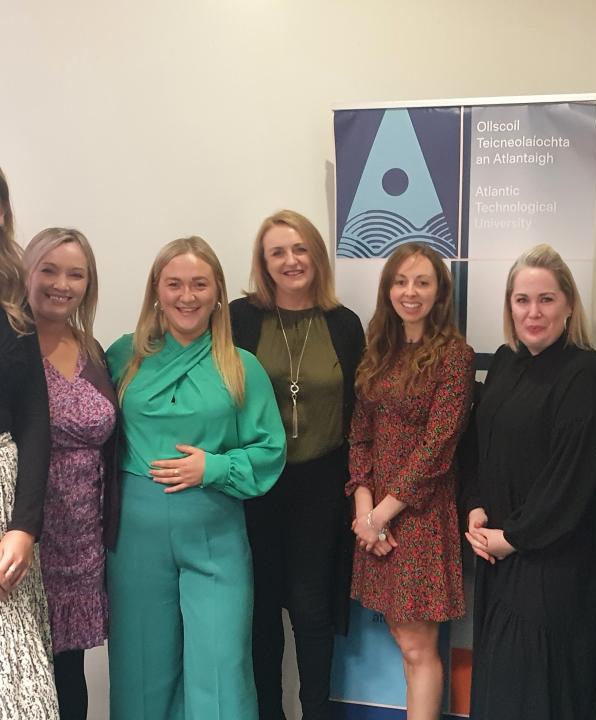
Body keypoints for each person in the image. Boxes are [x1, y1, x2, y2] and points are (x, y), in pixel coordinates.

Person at [105, 236, 286, 720]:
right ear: (156, 291)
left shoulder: (240, 365)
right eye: (175, 284)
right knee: (140, 668)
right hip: (135, 538)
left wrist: (216, 467)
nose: (187, 296)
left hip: (215, 531)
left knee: (222, 667)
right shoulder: (124, 356)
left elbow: (270, 450)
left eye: (200, 284)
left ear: (218, 293)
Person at [464, 244, 596, 720]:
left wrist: (513, 538)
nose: (532, 312)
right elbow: (480, 445)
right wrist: (474, 504)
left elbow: (572, 481)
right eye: (522, 300)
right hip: (499, 554)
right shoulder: (504, 362)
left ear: (569, 305)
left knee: (544, 692)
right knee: (502, 688)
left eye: (546, 299)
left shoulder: (587, 375)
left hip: (558, 565)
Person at [230, 210, 364, 720]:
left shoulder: (344, 324)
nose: (291, 261)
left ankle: (318, 713)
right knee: (261, 611)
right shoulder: (240, 318)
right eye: (277, 252)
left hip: (322, 486)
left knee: (311, 610)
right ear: (263, 264)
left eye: (300, 248)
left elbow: (359, 413)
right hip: (254, 486)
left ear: (317, 254)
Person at [347, 242, 474, 720]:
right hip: (376, 516)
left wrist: (380, 515)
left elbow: (438, 447)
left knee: (419, 646)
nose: (410, 291)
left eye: (422, 281)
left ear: (440, 291)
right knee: (405, 640)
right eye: (401, 281)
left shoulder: (455, 357)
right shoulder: (379, 351)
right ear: (388, 290)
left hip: (419, 517)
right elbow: (359, 435)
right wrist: (364, 512)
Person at [23, 228, 118, 720]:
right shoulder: (9, 344)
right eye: (50, 269)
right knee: (22, 674)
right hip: (24, 533)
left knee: (68, 671)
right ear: (27, 271)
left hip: (81, 540)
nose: (62, 284)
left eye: (75, 274)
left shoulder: (91, 348)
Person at [0, 167, 58, 719]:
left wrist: (23, 526)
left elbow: (34, 421)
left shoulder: (11, 305)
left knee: (24, 696)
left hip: (4, 500)